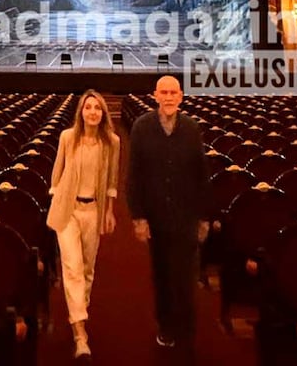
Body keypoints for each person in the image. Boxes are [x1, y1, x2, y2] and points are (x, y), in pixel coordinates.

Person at [127, 75, 209, 349]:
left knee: (185, 277)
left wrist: (204, 217)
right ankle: (166, 325)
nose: (170, 96)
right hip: (157, 217)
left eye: (174, 92)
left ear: (181, 96)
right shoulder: (141, 127)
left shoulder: (192, 128)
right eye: (164, 92)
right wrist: (138, 217)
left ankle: (186, 327)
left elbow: (201, 175)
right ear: (155, 95)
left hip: (186, 217)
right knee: (162, 275)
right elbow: (135, 175)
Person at [47, 90, 120, 358]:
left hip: (94, 211)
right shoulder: (68, 137)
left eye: (97, 108)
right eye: (88, 107)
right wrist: (55, 197)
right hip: (68, 210)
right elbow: (57, 171)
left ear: (102, 113)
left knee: (87, 268)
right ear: (81, 111)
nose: (92, 112)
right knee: (73, 268)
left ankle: (78, 309)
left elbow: (112, 181)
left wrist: (110, 211)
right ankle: (80, 333)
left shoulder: (112, 142)